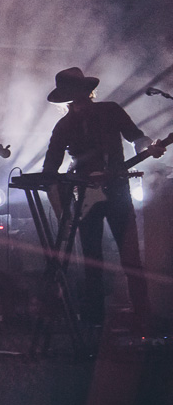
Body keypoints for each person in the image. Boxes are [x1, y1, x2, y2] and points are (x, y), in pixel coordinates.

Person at [42, 66, 164, 335]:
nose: (76, 101)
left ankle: (143, 317)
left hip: (118, 190)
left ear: (86, 92)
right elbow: (50, 167)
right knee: (92, 260)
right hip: (85, 197)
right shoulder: (63, 126)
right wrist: (61, 207)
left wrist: (149, 147)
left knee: (131, 258)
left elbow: (136, 137)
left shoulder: (111, 111)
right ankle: (94, 322)